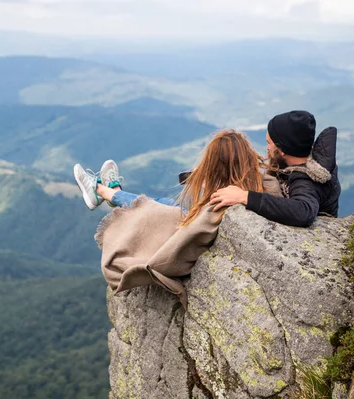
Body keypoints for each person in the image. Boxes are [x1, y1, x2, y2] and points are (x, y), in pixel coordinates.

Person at [73, 129, 281, 307]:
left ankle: (101, 191)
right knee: (163, 202)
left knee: (153, 207)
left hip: (184, 230)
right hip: (197, 218)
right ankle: (111, 191)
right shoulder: (264, 185)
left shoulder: (221, 203)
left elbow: (188, 233)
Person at [209, 111, 340, 227]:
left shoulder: (308, 180)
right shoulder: (298, 162)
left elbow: (303, 211)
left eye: (269, 143)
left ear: (282, 150)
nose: (267, 148)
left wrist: (245, 197)